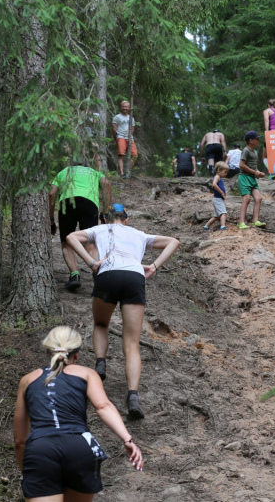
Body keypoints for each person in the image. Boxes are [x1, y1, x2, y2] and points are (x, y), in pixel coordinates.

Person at [66, 204, 181, 419]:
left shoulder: (98, 230)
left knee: (101, 324)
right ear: (126, 219)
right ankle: (133, 397)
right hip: (134, 277)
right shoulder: (139, 234)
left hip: (107, 274)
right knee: (132, 343)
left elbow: (71, 237)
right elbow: (173, 242)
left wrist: (91, 263)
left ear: (105, 219)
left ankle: (101, 363)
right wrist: (153, 266)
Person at [14, 326, 144, 502]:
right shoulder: (87, 374)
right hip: (80, 448)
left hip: (41, 450)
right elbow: (104, 406)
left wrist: (27, 470)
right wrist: (127, 440)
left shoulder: (28, 380)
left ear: (47, 352)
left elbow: (20, 441)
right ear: (76, 355)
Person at [49, 161, 111, 291]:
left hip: (67, 203)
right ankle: (96, 273)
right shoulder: (94, 173)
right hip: (89, 203)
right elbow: (106, 184)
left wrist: (51, 219)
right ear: (86, 166)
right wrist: (105, 212)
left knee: (66, 241)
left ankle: (74, 275)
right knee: (90, 243)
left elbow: (51, 193)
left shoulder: (64, 172)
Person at [237, 131, 266, 230]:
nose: (258, 141)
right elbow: (241, 165)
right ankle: (241, 222)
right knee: (247, 198)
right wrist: (254, 172)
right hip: (244, 177)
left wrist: (258, 172)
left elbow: (253, 166)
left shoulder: (255, 152)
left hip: (252, 178)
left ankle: (255, 221)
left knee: (259, 198)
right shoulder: (246, 150)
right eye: (257, 139)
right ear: (251, 140)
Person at [112, 101, 136, 178]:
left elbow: (133, 128)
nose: (125, 108)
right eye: (123, 106)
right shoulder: (117, 117)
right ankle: (122, 173)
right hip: (120, 136)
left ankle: (127, 171)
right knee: (121, 155)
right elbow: (114, 128)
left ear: (129, 108)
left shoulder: (131, 117)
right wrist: (116, 137)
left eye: (126, 107)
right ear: (121, 107)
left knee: (135, 155)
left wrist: (130, 135)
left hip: (129, 138)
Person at [203, 162, 229, 231]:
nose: (226, 174)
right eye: (225, 172)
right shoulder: (217, 177)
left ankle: (206, 226)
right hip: (218, 199)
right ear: (219, 169)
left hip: (217, 199)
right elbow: (214, 185)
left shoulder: (219, 178)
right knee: (224, 213)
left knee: (217, 217)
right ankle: (223, 226)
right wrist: (221, 192)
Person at [263, 99, 275, 176]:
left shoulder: (267, 111)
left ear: (268, 104)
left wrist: (266, 131)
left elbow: (266, 120)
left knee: (265, 155)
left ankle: (271, 173)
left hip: (271, 132)